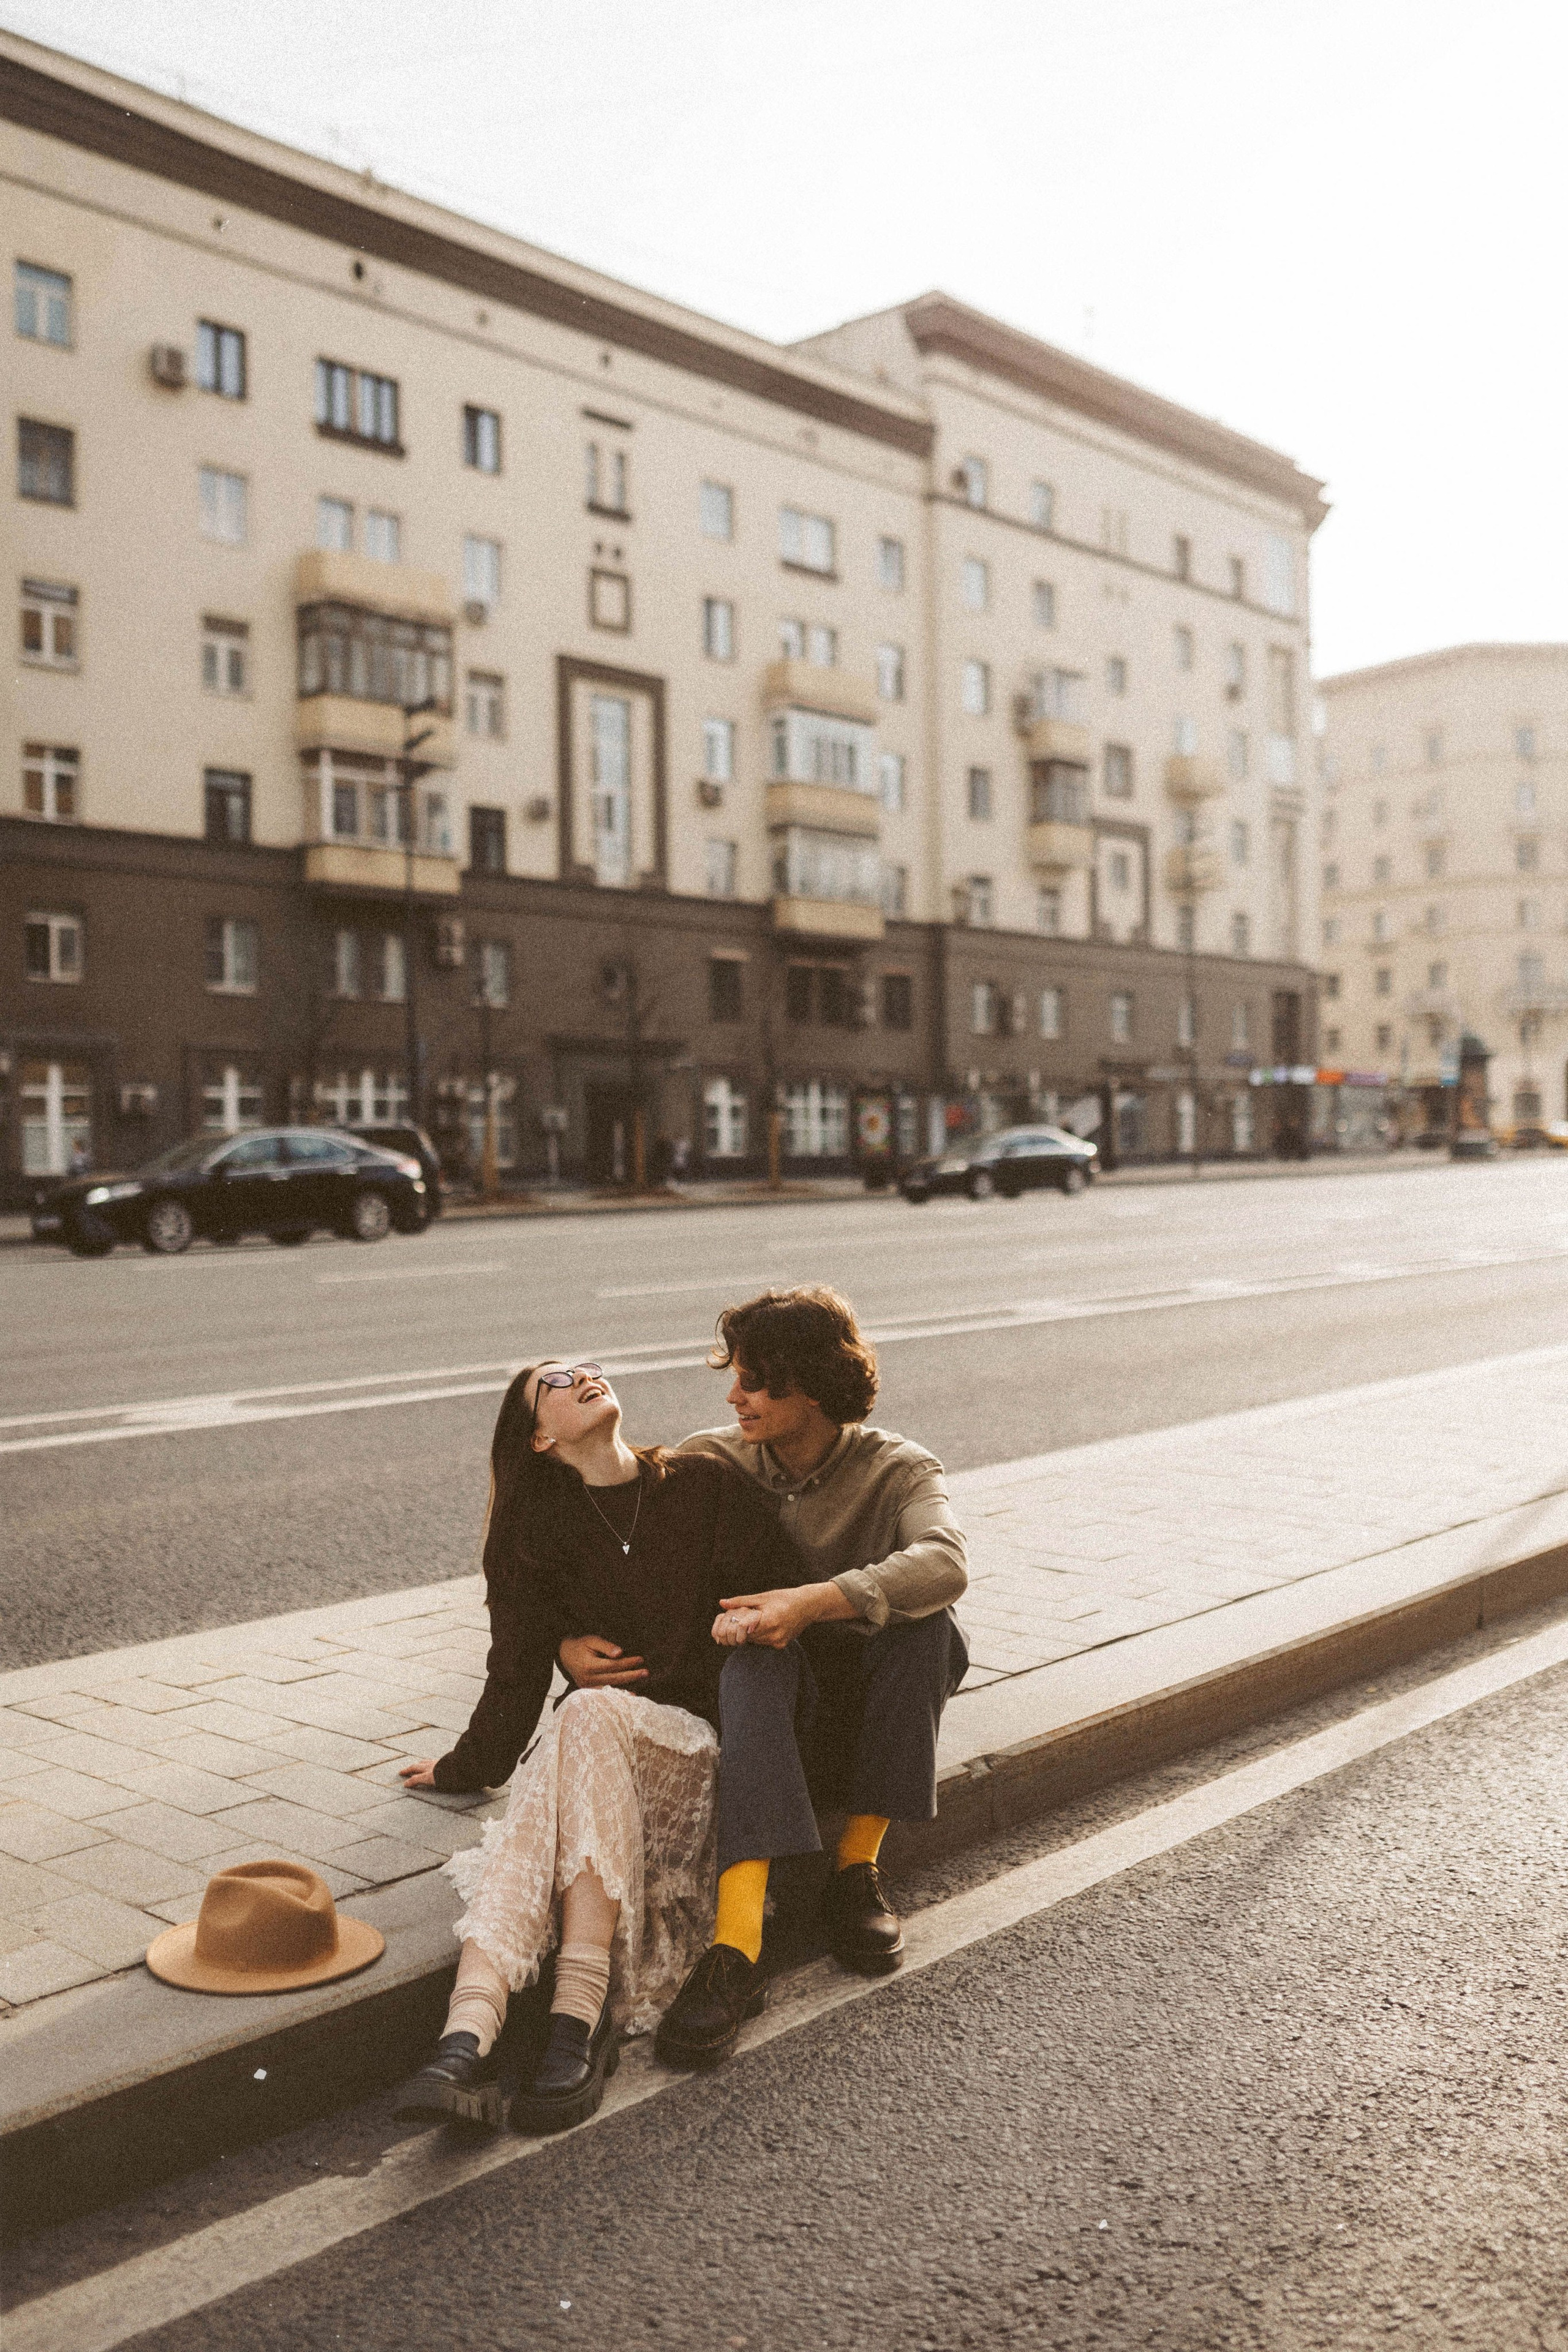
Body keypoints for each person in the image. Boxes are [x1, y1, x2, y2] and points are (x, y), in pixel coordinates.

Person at [393, 1357, 804, 2134]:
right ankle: (471, 2042)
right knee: (575, 1730)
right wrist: (463, 1768)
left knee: (583, 1713)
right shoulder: (533, 1533)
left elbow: (774, 1608)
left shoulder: (702, 1484)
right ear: (540, 1438)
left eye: (589, 1367)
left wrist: (722, 1635)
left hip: (701, 1751)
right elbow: (512, 1673)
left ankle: (551, 2020)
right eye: (554, 1381)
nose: (583, 1377)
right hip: (604, 1761)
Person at [654, 1286, 968, 2070]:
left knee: (928, 1626)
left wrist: (817, 1601)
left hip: (864, 1711)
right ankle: (736, 1946)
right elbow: (614, 1545)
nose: (736, 1395)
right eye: (736, 1375)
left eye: (758, 1381)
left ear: (815, 1385)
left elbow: (945, 1561)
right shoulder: (709, 1457)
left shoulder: (898, 1467)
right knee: (757, 1649)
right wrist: (569, 1643)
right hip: (765, 1715)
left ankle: (855, 1870)